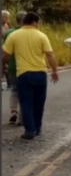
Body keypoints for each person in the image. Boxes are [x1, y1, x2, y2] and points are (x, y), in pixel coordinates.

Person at [2, 12, 59, 140]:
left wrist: (5, 65)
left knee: (26, 102)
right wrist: (55, 70)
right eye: (37, 23)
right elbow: (50, 55)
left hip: (23, 74)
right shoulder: (41, 36)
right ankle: (37, 127)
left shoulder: (14, 36)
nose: (38, 25)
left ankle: (30, 131)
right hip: (40, 73)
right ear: (33, 22)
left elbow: (5, 54)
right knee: (39, 102)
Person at [3, 11, 26, 125]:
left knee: (14, 89)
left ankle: (13, 111)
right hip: (25, 67)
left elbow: (5, 52)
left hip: (12, 66)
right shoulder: (27, 32)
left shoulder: (8, 33)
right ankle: (22, 118)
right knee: (25, 92)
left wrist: (4, 64)